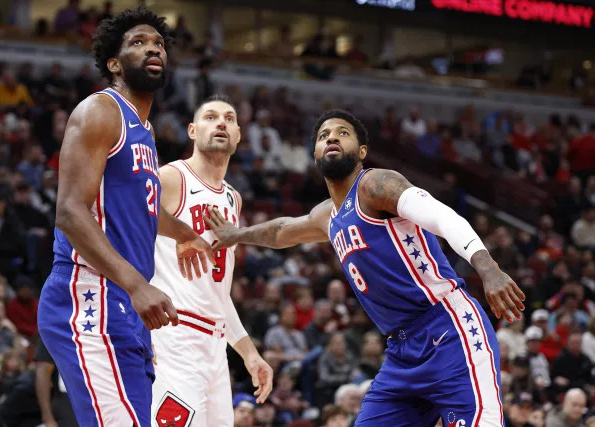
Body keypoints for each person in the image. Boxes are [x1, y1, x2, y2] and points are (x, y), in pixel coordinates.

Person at [207, 109, 526, 425]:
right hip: (401, 350)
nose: (331, 137)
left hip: (448, 328)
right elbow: (282, 230)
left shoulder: (375, 184)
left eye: (342, 133)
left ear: (361, 152)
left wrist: (488, 268)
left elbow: (442, 216)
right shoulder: (327, 216)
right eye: (323, 136)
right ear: (315, 154)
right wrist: (236, 234)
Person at [37, 7, 213, 427]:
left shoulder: (144, 130)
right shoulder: (101, 111)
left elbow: (142, 209)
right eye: (138, 42)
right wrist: (136, 285)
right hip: (90, 293)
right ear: (114, 64)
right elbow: (70, 211)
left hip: (126, 306)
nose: (153, 49)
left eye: (158, 43)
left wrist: (184, 232)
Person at [149, 95, 272, 426]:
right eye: (211, 117)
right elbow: (122, 232)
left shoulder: (233, 198)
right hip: (173, 335)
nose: (221, 123)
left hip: (215, 347)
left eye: (229, 119)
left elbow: (217, 294)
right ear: (192, 130)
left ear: (239, 135)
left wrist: (249, 353)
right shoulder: (171, 177)